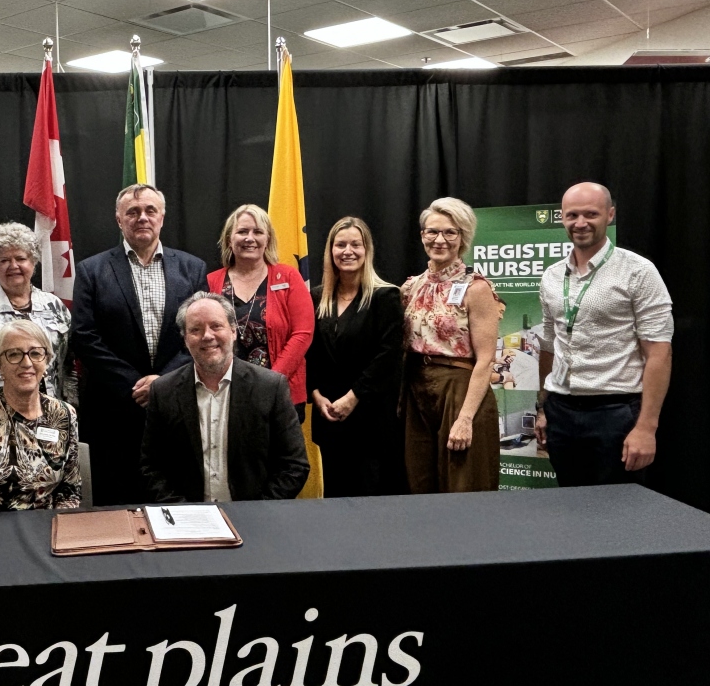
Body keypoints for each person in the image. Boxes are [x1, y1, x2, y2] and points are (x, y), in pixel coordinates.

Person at [71, 183, 208, 506]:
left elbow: (202, 335)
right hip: (113, 409)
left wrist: (163, 383)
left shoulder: (192, 268)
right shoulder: (92, 270)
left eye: (149, 210)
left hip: (175, 405)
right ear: (119, 220)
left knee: (174, 500)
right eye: (132, 212)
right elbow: (84, 336)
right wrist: (134, 384)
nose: (141, 218)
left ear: (162, 217)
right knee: (116, 504)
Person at [534, 182, 673, 486]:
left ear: (610, 215)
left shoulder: (638, 271)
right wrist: (543, 408)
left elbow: (659, 353)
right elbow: (548, 344)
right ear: (562, 217)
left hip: (617, 412)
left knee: (618, 512)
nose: (580, 223)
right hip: (561, 409)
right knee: (570, 505)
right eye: (572, 215)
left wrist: (646, 427)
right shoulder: (552, 275)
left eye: (591, 214)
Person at [141, 292, 309, 503]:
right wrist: (184, 513)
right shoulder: (163, 391)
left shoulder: (270, 387)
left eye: (216, 326)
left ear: (233, 331)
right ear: (185, 339)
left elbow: (294, 465)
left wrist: (259, 510)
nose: (207, 336)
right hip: (187, 524)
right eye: (195, 329)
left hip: (256, 520)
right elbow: (151, 467)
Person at [400, 197, 502, 493]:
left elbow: (486, 360)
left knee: (463, 482)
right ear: (422, 236)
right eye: (432, 231)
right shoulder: (410, 287)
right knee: (418, 481)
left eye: (450, 232)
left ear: (462, 238)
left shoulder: (477, 288)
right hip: (417, 390)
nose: (439, 240)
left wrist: (465, 418)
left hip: (459, 389)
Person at [306, 216, 405, 498]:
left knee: (369, 497)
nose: (347, 251)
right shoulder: (316, 298)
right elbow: (311, 351)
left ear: (367, 250)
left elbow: (388, 356)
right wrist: (315, 394)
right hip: (329, 414)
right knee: (335, 497)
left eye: (355, 244)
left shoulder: (385, 297)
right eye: (340, 245)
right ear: (330, 250)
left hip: (370, 416)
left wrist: (353, 397)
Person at [0, 320, 81, 513]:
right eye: (14, 354)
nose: (26, 363)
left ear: (46, 361)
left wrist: (56, 530)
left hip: (48, 528)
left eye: (35, 353)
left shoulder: (64, 414)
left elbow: (70, 492)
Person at [0, 222, 75, 410]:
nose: (13, 266)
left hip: (50, 416)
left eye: (20, 258)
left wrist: (71, 409)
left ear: (33, 261)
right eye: (4, 260)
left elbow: (69, 366)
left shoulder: (55, 307)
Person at [207, 204, 313, 421]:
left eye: (257, 232)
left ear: (267, 239)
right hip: (226, 393)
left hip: (281, 394)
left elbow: (303, 333)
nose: (250, 238)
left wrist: (272, 381)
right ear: (229, 239)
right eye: (242, 231)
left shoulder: (289, 277)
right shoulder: (211, 281)